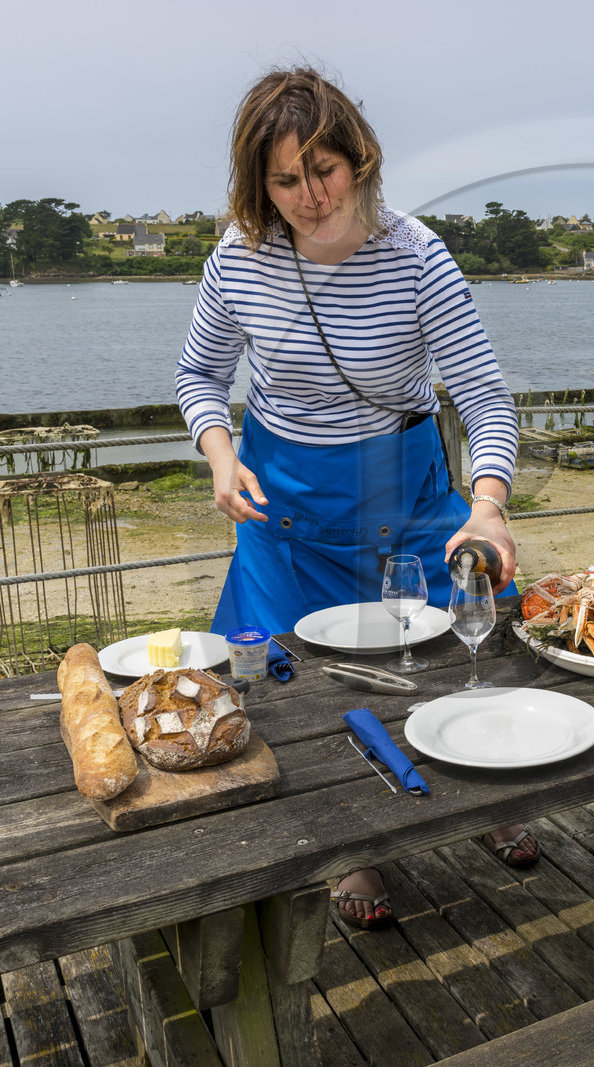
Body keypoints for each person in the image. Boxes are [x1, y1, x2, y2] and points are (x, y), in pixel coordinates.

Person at [176, 68, 541, 931]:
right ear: (256, 184)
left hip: (404, 489)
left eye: (324, 169)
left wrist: (486, 503)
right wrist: (220, 455)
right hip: (282, 507)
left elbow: (486, 399)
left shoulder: (418, 255)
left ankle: (485, 792)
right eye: (284, 179)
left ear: (360, 158)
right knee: (294, 684)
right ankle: (353, 848)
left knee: (467, 644)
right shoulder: (239, 255)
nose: (308, 195)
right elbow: (199, 375)